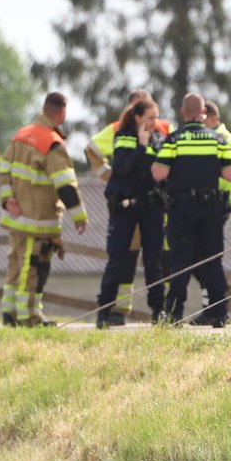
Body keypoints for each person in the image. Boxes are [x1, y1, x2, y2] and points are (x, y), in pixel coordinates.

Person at [0, 92, 87, 326]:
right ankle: (29, 317)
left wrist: (7, 199)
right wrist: (80, 216)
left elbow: (3, 168)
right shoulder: (52, 143)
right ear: (62, 113)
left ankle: (9, 313)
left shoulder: (21, 135)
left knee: (16, 266)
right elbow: (66, 185)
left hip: (16, 218)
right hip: (38, 221)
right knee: (32, 268)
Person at [86, 90, 174, 320]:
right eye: (151, 118)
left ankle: (158, 311)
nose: (156, 123)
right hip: (126, 207)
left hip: (151, 207)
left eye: (157, 117)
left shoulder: (159, 138)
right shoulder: (123, 136)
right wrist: (142, 148)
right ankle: (104, 311)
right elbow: (124, 168)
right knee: (118, 259)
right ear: (138, 117)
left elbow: (159, 172)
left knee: (153, 262)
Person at [152, 92, 231, 326]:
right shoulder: (217, 140)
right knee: (212, 259)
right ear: (203, 114)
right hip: (211, 209)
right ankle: (219, 312)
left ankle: (174, 314)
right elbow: (230, 175)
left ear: (183, 112)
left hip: (182, 209)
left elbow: (159, 172)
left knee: (180, 260)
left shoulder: (174, 139)